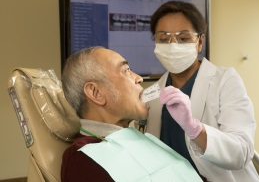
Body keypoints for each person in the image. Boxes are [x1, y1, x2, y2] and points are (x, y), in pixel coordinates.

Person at [146, 1, 259, 181]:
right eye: (164, 39)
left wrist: (195, 129)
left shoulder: (225, 80)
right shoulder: (152, 94)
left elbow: (242, 152)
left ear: (200, 41)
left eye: (183, 38)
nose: (173, 45)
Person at [60, 46, 205, 182]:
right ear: (96, 92)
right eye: (126, 70)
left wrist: (193, 127)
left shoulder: (136, 138)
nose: (139, 78)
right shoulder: (82, 160)